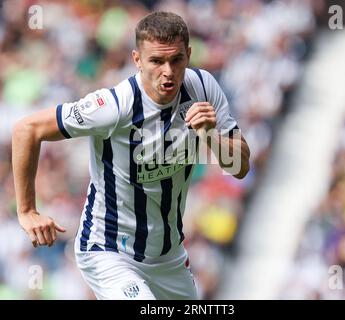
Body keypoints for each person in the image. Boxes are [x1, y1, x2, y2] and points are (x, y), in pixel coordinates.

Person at [12, 11, 250, 300]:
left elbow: (239, 167)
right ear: (137, 60)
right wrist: (27, 211)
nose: (168, 71)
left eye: (176, 60)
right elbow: (27, 129)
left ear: (188, 55)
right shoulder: (115, 105)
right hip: (110, 251)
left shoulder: (202, 87)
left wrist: (211, 135)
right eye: (156, 61)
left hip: (169, 257)